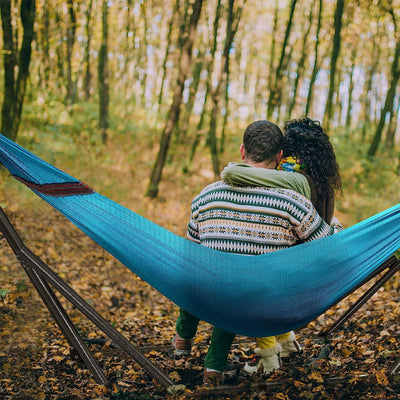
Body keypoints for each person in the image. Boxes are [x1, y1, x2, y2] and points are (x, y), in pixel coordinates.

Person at [173, 120, 341, 385]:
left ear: (242, 151)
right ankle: (213, 367)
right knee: (238, 284)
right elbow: (327, 242)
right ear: (280, 157)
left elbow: (192, 253)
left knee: (212, 274)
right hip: (263, 300)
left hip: (209, 292)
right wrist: (335, 225)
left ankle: (184, 340)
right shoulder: (292, 201)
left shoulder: (205, 196)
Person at [220, 118, 342, 376]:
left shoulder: (290, 178)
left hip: (291, 268)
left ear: (285, 151)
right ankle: (287, 342)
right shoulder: (321, 180)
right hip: (312, 262)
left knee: (259, 262)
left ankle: (268, 358)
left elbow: (239, 174)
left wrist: (230, 171)